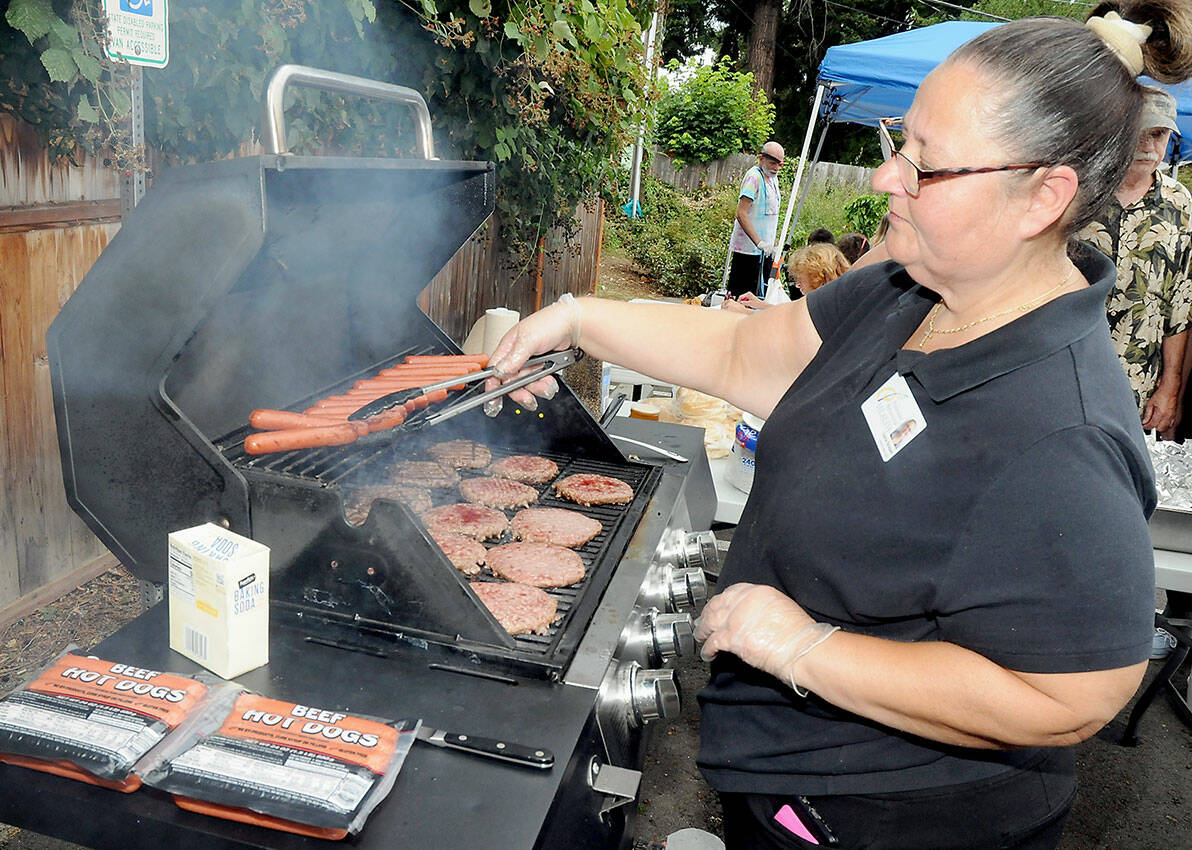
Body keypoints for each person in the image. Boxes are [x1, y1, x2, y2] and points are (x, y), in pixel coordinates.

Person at [487, 3, 1192, 847]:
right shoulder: (905, 289)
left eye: (925, 167)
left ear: (1043, 197)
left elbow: (1073, 694)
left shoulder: (1063, 431)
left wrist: (804, 647)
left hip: (884, 821)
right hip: (777, 776)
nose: (885, 178)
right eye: (902, 142)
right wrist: (576, 318)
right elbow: (751, 351)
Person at [1078, 86, 1192, 440]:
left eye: (1157, 135)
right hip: (1069, 371)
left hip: (1137, 387)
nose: (1147, 147)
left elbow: (1180, 304)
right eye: (1137, 133)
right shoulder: (1078, 193)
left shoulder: (1180, 205)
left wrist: (1170, 387)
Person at [726, 142, 785, 297]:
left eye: (779, 164)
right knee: (742, 296)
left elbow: (770, 215)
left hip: (765, 251)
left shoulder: (773, 179)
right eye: (772, 163)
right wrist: (759, 242)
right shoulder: (754, 177)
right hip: (748, 251)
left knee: (761, 295)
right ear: (761, 158)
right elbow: (741, 213)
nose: (776, 168)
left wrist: (773, 240)